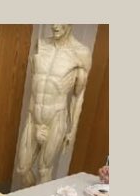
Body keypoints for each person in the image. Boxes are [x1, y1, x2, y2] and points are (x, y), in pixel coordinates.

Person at [14, 24, 92, 186]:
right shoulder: (41, 45)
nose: (55, 25)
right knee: (23, 168)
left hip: (56, 118)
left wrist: (72, 130)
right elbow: (37, 84)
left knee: (44, 170)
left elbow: (78, 96)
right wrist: (34, 121)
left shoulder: (81, 53)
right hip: (34, 117)